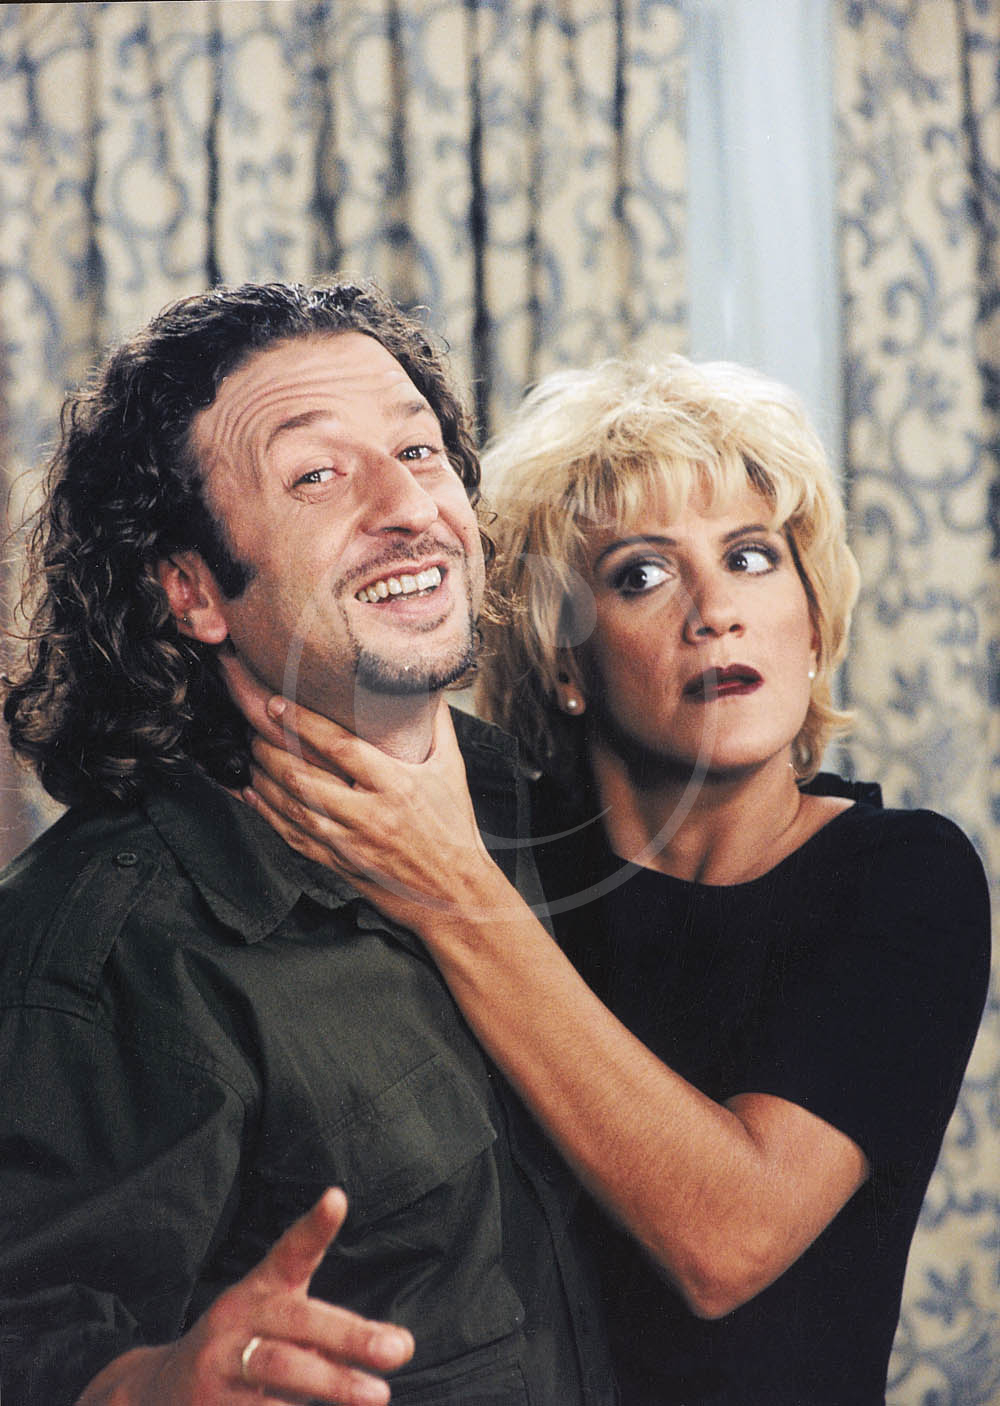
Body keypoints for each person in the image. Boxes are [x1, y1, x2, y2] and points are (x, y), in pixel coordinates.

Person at [227, 354, 991, 1405]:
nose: (714, 611)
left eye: (752, 558)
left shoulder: (904, 878)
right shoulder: (489, 841)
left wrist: (454, 894)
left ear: (814, 625)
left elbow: (727, 1239)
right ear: (564, 662)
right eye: (641, 574)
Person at [0, 280, 617, 1406]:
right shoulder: (108, 953)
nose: (407, 506)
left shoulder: (547, 807)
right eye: (317, 476)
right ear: (193, 589)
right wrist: (153, 1384)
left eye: (419, 452)